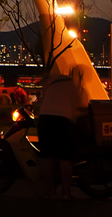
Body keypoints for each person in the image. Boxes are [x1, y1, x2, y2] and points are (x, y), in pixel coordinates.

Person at [35, 67, 84, 199]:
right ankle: (66, 192)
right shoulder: (72, 84)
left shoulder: (51, 84)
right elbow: (79, 104)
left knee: (46, 157)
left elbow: (41, 102)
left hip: (45, 120)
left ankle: (49, 191)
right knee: (65, 158)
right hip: (63, 120)